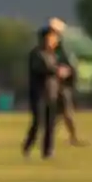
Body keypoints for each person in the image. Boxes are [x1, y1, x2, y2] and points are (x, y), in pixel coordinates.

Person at [24, 22, 68, 159]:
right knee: (38, 122)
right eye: (52, 38)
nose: (54, 40)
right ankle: (28, 146)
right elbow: (42, 69)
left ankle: (48, 151)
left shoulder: (53, 55)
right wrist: (58, 71)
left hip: (52, 94)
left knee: (51, 124)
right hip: (39, 94)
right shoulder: (36, 54)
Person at [47, 18, 87, 147]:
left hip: (62, 86)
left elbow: (68, 67)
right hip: (55, 86)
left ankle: (69, 137)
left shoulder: (59, 48)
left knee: (63, 114)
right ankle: (69, 138)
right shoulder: (49, 48)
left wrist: (65, 72)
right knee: (62, 114)